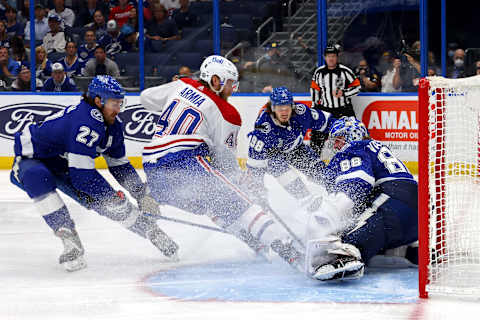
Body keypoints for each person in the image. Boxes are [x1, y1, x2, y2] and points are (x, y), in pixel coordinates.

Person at [140, 55, 305, 270]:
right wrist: (244, 188)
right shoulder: (227, 112)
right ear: (215, 81)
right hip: (185, 163)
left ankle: (255, 243)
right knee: (242, 204)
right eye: (229, 83)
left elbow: (145, 98)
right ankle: (292, 252)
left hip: (153, 170)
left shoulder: (183, 84)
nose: (233, 89)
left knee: (214, 204)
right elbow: (225, 162)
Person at [10, 75, 178, 272]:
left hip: (66, 166)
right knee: (38, 177)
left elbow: (119, 165)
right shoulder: (86, 121)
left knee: (108, 203)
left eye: (120, 103)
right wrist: (113, 198)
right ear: (98, 101)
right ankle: (69, 239)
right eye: (114, 103)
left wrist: (140, 194)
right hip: (34, 159)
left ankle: (151, 231)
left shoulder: (113, 127)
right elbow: (82, 177)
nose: (118, 109)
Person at [304, 117, 418, 281]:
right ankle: (411, 252)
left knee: (347, 240)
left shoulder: (354, 147)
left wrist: (327, 217)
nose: (336, 145)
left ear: (351, 136)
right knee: (379, 236)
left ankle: (345, 257)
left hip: (393, 201)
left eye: (339, 139)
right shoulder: (374, 147)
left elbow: (357, 184)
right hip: (418, 211)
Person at [244, 86, 335, 214]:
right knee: (276, 164)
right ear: (273, 108)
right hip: (272, 156)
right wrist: (257, 192)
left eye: (287, 107)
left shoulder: (301, 112)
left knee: (325, 175)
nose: (284, 111)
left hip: (296, 149)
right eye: (280, 108)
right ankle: (306, 200)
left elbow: (327, 122)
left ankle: (339, 198)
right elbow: (254, 166)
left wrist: (341, 128)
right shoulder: (264, 127)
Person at [309, 44, 360, 156]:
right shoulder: (319, 72)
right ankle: (313, 166)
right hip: (325, 111)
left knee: (352, 138)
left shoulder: (345, 71)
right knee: (316, 140)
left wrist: (344, 93)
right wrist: (314, 108)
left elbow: (357, 87)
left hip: (344, 111)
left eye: (333, 56)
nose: (331, 58)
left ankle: (355, 161)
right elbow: (314, 90)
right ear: (324, 57)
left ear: (337, 57)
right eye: (328, 56)